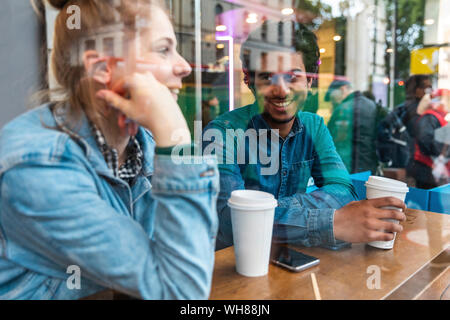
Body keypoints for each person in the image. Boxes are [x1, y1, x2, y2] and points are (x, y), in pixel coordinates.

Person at [0, 0, 219, 300]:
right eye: (163, 49)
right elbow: (181, 292)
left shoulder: (143, 146)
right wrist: (175, 135)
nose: (184, 66)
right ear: (103, 68)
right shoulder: (36, 166)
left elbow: (180, 259)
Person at [203, 21, 406, 251]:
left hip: (289, 259)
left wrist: (264, 211)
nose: (281, 90)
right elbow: (230, 221)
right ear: (249, 80)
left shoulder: (314, 126)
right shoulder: (221, 133)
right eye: (267, 77)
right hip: (232, 268)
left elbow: (343, 191)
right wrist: (330, 221)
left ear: (310, 81)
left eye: (293, 77)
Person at [326, 80, 379, 174]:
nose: (333, 103)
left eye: (333, 99)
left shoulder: (342, 109)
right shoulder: (372, 105)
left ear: (342, 89)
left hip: (346, 168)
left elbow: (331, 140)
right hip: (369, 167)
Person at [410, 89, 450, 189]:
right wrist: (440, 154)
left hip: (432, 168)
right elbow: (425, 139)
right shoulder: (430, 117)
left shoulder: (436, 117)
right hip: (427, 169)